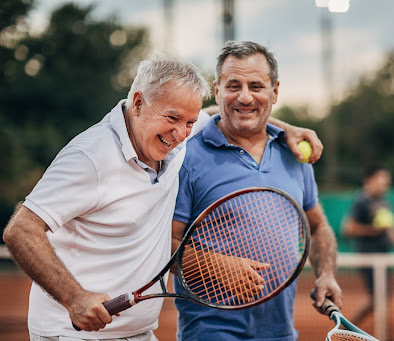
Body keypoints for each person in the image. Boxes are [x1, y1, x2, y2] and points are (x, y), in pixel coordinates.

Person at [2, 53, 324, 341]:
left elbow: (224, 113)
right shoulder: (89, 157)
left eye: (188, 122)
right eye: (172, 118)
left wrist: (287, 129)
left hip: (137, 331)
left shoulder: (174, 135)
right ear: (138, 102)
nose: (181, 133)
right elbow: (20, 229)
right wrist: (73, 296)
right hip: (74, 334)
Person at [171, 41, 342, 341]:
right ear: (217, 90)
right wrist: (216, 266)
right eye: (233, 85)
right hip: (211, 331)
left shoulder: (295, 155)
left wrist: (326, 273)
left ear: (274, 92)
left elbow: (317, 226)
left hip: (279, 331)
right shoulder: (186, 156)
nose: (245, 96)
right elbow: (164, 244)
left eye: (256, 86)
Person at [343, 165, 394, 325]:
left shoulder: (384, 201)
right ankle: (346, 327)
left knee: (383, 296)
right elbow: (349, 228)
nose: (386, 182)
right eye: (383, 178)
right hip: (368, 256)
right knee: (378, 296)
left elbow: (390, 229)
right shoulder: (361, 200)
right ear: (370, 180)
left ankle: (381, 332)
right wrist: (374, 230)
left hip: (383, 256)